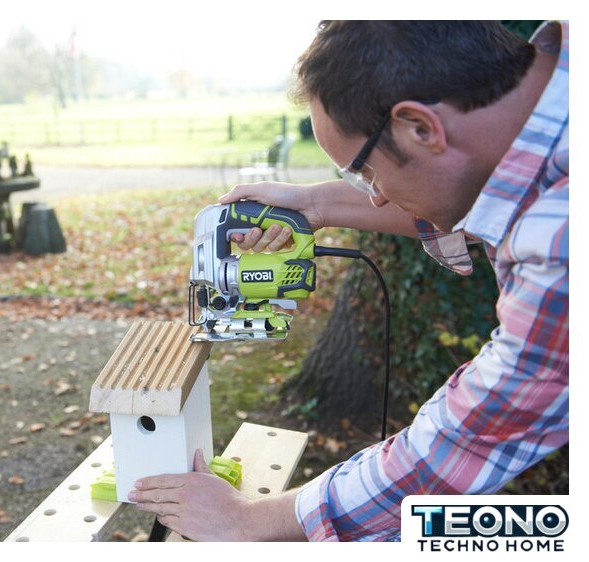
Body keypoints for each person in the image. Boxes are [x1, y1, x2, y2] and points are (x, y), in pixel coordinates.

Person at [128, 21, 569, 541]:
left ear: (421, 127)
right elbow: (481, 189)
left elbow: (463, 444)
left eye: (366, 173)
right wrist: (317, 203)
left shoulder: (562, 239)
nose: (375, 197)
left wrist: (247, 522)